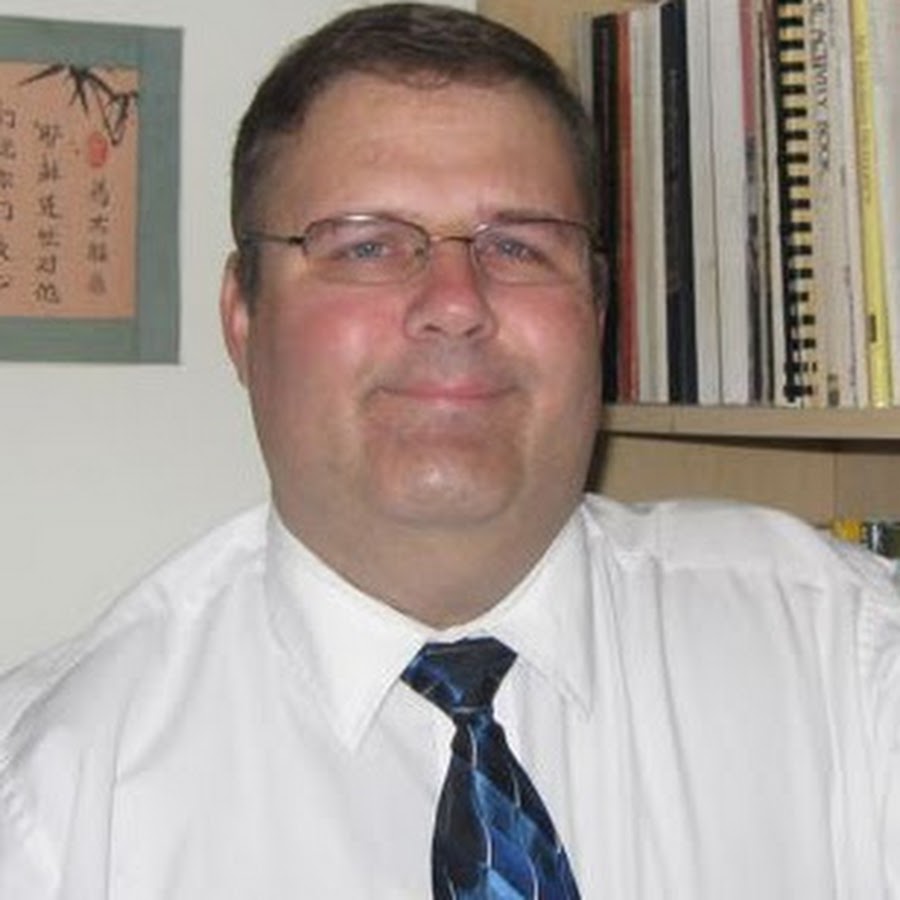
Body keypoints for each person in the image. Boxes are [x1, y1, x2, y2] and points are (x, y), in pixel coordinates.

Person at [1, 3, 898, 897]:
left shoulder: (846, 663)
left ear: (596, 311)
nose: (457, 303)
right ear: (243, 319)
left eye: (519, 246)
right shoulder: (54, 798)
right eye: (366, 246)